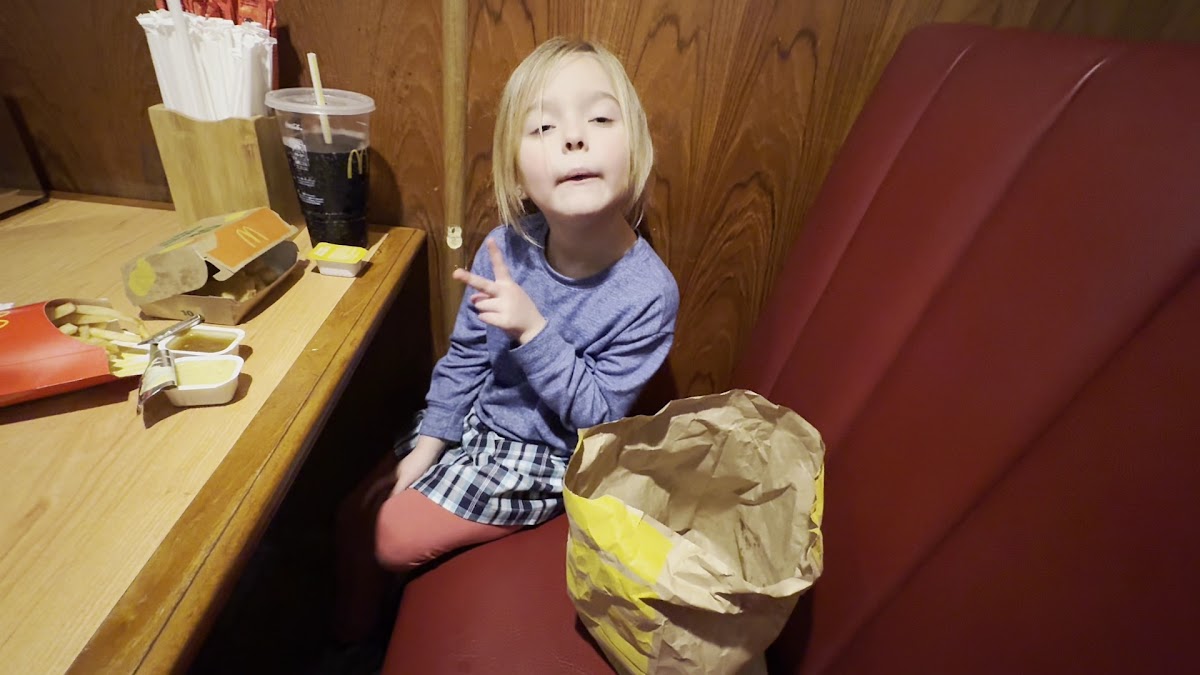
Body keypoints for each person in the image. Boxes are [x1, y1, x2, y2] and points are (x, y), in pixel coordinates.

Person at [333, 35, 678, 644]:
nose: (574, 138)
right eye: (543, 127)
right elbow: (466, 357)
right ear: (517, 172)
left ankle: (360, 639)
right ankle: (352, 644)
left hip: (545, 457)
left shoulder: (648, 292)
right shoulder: (506, 246)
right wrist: (432, 442)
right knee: (354, 512)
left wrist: (533, 330)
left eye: (600, 119)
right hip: (475, 422)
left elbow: (599, 418)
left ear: (638, 147)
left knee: (387, 535)